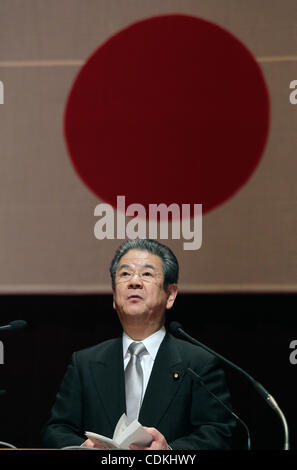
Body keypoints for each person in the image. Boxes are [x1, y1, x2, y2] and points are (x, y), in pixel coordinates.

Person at [42, 239, 235, 449]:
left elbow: (219, 433)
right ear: (115, 296)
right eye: (125, 274)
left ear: (170, 295)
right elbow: (56, 430)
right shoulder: (85, 362)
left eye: (147, 274)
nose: (134, 282)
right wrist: (82, 447)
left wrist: (170, 452)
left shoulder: (198, 364)